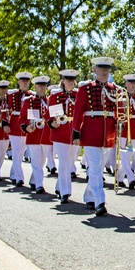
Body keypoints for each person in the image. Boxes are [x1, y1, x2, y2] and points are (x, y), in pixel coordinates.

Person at [71, 57, 119, 216]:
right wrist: (76, 131)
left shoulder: (114, 89)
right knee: (96, 166)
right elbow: (78, 111)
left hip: (108, 134)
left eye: (107, 69)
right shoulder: (86, 88)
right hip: (91, 132)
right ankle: (100, 201)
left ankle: (89, 196)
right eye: (101, 69)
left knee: (97, 168)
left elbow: (117, 111)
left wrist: (119, 128)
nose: (105, 72)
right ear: (95, 70)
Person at [49, 70, 78, 203]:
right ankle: (65, 192)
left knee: (69, 162)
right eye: (68, 80)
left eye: (72, 80)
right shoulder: (56, 96)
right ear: (63, 81)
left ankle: (59, 186)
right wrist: (52, 122)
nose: (70, 83)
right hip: (60, 132)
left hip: (74, 132)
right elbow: (50, 114)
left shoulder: (78, 95)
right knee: (64, 161)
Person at [20, 76, 53, 194]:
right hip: (33, 135)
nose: (42, 88)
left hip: (46, 136)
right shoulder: (29, 101)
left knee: (42, 161)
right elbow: (22, 118)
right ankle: (39, 184)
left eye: (44, 85)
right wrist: (26, 127)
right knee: (36, 162)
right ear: (35, 87)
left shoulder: (50, 101)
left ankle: (34, 180)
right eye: (40, 85)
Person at [5, 72, 34, 185]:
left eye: (27, 81)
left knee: (21, 152)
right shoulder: (12, 94)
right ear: (18, 82)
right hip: (15, 124)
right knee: (17, 152)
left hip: (27, 125)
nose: (25, 82)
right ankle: (19, 178)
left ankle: (13, 173)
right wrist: (5, 123)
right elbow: (5, 109)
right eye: (23, 80)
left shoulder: (32, 95)